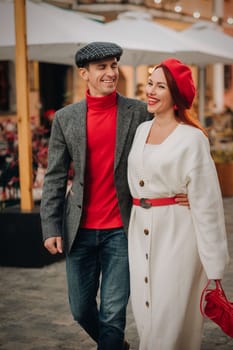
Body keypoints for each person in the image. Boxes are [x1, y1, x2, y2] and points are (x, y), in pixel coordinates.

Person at [40, 43, 188, 350]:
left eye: (114, 65)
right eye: (102, 68)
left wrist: (184, 188)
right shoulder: (66, 118)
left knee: (112, 314)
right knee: (81, 310)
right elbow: (55, 176)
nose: (111, 73)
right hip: (78, 230)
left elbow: (168, 145)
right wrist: (51, 227)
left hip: (122, 230)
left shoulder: (137, 112)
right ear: (84, 74)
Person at [127, 58, 230, 350]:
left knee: (168, 321)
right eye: (150, 83)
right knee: (146, 316)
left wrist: (215, 269)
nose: (151, 91)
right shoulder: (140, 131)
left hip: (178, 235)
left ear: (176, 95)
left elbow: (207, 204)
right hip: (139, 232)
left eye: (161, 86)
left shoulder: (193, 138)